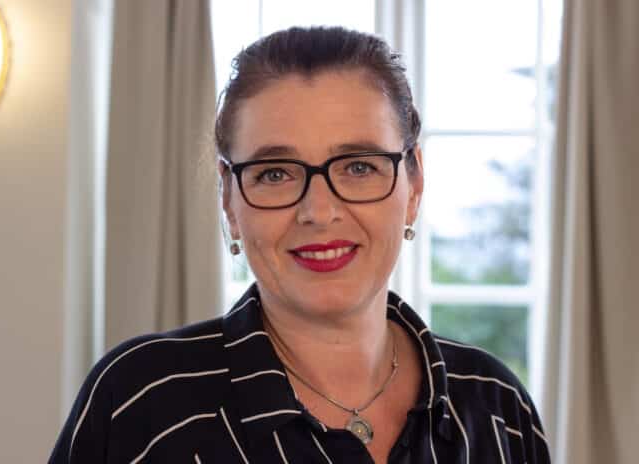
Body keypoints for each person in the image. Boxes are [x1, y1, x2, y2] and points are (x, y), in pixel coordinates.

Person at [50, 26, 550, 463]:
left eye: (358, 167)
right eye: (275, 173)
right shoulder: (138, 402)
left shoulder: (498, 408)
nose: (319, 211)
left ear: (414, 184)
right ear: (229, 199)